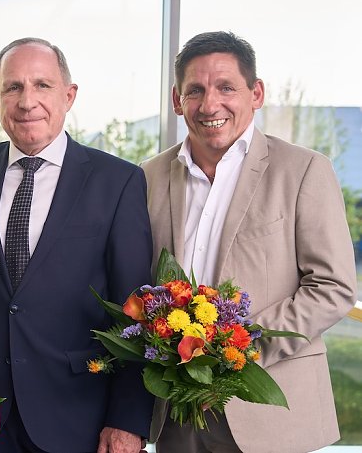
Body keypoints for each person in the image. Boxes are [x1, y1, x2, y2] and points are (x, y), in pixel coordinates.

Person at [142, 31, 357, 453]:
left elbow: (333, 287)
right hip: (177, 411)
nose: (210, 105)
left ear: (255, 93)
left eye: (226, 87)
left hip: (274, 412)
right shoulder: (147, 176)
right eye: (195, 91)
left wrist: (241, 350)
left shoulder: (304, 170)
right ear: (176, 99)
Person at [0, 37, 154, 453]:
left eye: (42, 85)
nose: (27, 101)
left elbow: (137, 309)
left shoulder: (118, 181)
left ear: (69, 95)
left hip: (79, 415)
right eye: (13, 87)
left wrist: (128, 419)